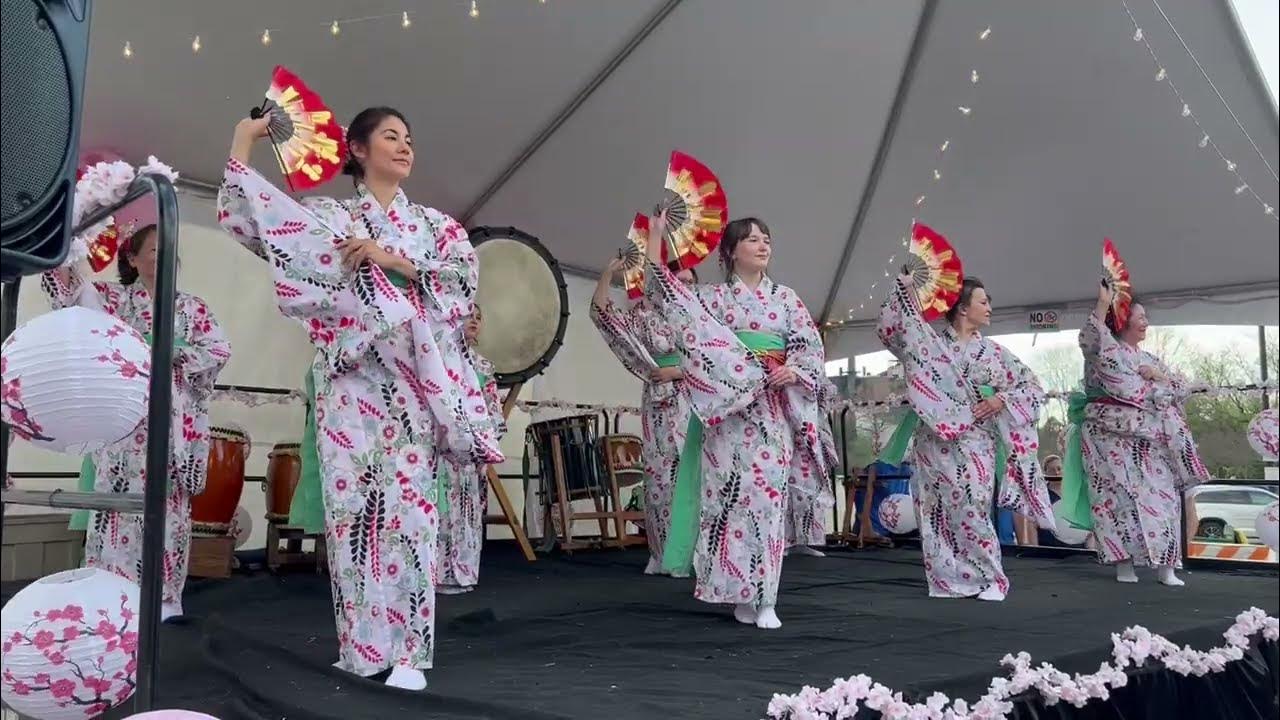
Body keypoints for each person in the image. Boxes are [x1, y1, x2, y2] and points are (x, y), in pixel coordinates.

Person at [217, 107, 502, 690]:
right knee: (356, 519)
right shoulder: (330, 217)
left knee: (412, 517)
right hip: (350, 386)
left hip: (411, 385)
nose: (405, 146)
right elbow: (256, 228)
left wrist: (393, 260)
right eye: (391, 136)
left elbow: (462, 282)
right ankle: (364, 647)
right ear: (359, 149)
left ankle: (409, 653)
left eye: (409, 138)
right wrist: (243, 142)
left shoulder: (437, 227)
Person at [641, 214, 834, 629]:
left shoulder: (786, 299)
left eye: (766, 239)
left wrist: (794, 371)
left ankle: (766, 596)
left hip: (771, 412)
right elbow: (664, 294)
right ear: (730, 251)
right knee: (727, 503)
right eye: (751, 240)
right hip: (726, 417)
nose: (763, 246)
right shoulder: (711, 299)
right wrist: (656, 236)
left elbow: (810, 348)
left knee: (767, 502)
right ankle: (736, 591)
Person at [42, 224, 231, 621]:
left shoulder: (193, 308)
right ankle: (110, 595)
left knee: (168, 511)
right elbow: (73, 300)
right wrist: (70, 244)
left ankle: (163, 600)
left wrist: (169, 351)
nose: (165, 256)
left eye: (170, 249)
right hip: (124, 426)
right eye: (155, 250)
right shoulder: (115, 299)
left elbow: (217, 350)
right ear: (131, 257)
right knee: (116, 510)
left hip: (173, 426)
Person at [876, 274, 1052, 601]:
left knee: (972, 507)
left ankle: (991, 578)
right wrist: (905, 292)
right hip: (933, 440)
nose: (989, 308)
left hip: (976, 440)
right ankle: (947, 580)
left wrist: (1001, 400)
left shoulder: (994, 353)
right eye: (983, 301)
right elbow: (892, 333)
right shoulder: (930, 345)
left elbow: (1032, 387)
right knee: (934, 509)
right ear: (962, 308)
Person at [1063, 284, 1209, 585]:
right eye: (1140, 317)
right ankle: (1124, 564)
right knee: (1117, 501)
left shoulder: (1151, 360)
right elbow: (1091, 341)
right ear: (1122, 319)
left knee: (1163, 500)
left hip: (1152, 442)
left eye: (1146, 317)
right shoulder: (1105, 350)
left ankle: (1167, 567)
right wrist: (1103, 304)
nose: (1145, 322)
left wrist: (1159, 376)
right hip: (1109, 441)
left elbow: (1179, 389)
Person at [590, 256, 697, 576]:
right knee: (660, 477)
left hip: (695, 399)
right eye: (679, 280)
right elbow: (604, 315)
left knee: (693, 476)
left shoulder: (702, 318)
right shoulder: (644, 315)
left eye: (691, 282)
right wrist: (608, 273)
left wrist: (678, 371)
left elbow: (722, 360)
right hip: (660, 401)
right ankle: (661, 551)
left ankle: (692, 553)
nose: (685, 287)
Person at [437, 306, 506, 594]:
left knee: (468, 512)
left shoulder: (483, 366)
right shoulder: (438, 358)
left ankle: (464, 574)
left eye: (478, 317)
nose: (474, 321)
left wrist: (486, 444)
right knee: (443, 511)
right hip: (441, 448)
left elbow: (492, 408)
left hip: (471, 449)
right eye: (468, 316)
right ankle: (439, 574)